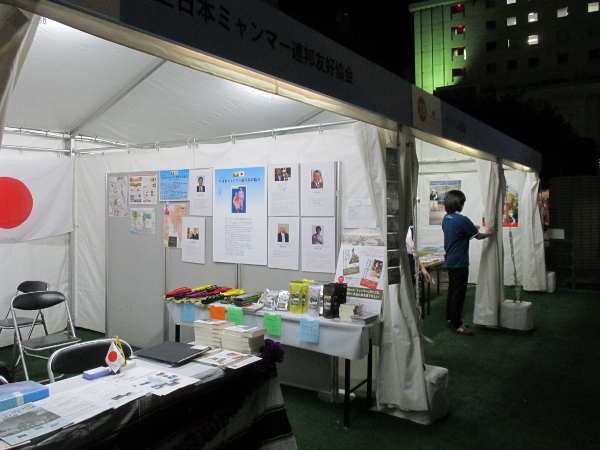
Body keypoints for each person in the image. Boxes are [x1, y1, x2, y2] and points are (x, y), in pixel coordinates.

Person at [442, 190, 495, 336]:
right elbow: (478, 236)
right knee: (458, 294)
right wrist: (491, 232)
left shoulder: (446, 218)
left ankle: (450, 319)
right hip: (459, 262)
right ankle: (457, 324)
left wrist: (473, 228)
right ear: (459, 203)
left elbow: (460, 232)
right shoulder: (462, 220)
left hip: (450, 259)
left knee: (452, 291)